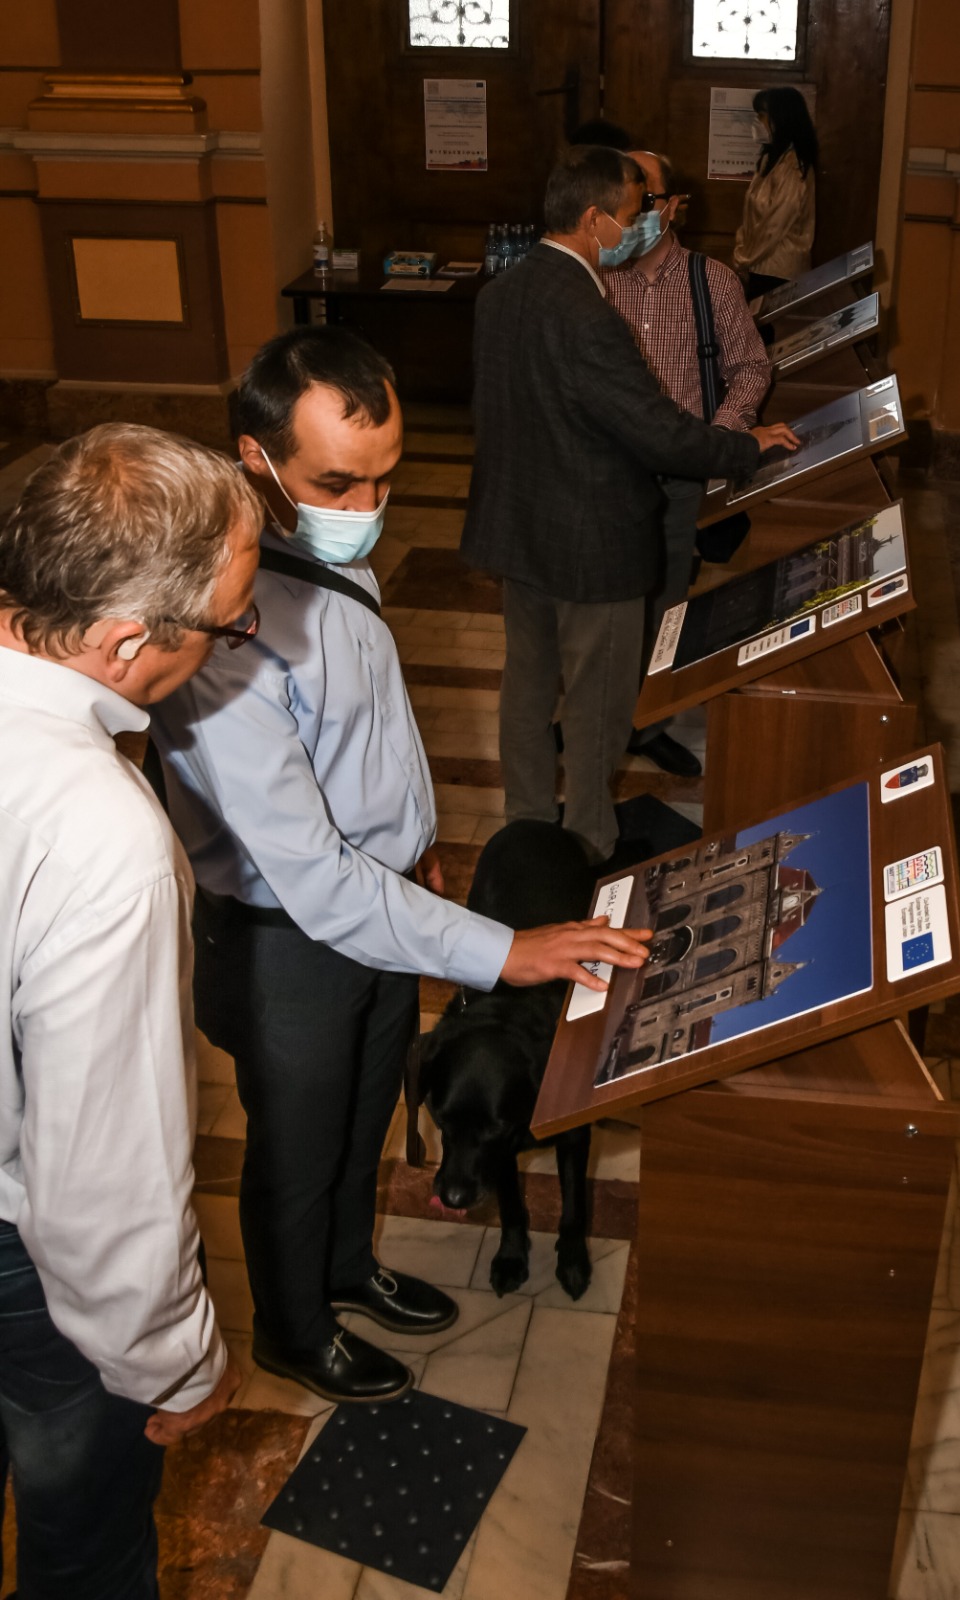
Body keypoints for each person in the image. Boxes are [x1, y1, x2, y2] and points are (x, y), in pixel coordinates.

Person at [150, 325, 652, 1407]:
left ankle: (344, 1270)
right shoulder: (218, 630)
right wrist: (503, 949)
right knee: (297, 1144)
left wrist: (414, 843)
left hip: (381, 900)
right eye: (338, 483)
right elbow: (310, 875)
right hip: (288, 938)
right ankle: (293, 1329)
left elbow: (365, 725)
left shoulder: (321, 549)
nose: (366, 506)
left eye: (384, 479)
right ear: (255, 459)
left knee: (364, 1110)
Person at [0, 423, 261, 1599]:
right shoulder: (100, 835)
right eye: (224, 626)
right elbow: (99, 1178)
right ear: (122, 641)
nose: (230, 645)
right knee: (87, 1553)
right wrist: (173, 1360)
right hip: (20, 1263)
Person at [461, 145, 798, 865]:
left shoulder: (500, 293)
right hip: (595, 541)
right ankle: (589, 843)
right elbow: (655, 432)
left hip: (520, 527)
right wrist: (745, 446)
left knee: (527, 686)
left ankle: (526, 832)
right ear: (594, 220)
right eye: (632, 209)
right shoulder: (589, 314)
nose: (643, 219)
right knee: (598, 703)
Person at [605, 147, 773, 773]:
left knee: (664, 605)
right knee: (602, 606)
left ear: (673, 205)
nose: (633, 208)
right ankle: (599, 716)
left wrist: (718, 439)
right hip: (608, 473)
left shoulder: (712, 281)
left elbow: (750, 368)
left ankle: (646, 724)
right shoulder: (594, 280)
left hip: (678, 479)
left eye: (645, 195)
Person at [732, 86, 818, 302]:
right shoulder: (770, 160)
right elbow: (751, 217)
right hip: (760, 265)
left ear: (781, 119)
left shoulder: (793, 166)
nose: (757, 122)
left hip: (778, 270)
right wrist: (743, 250)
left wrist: (744, 257)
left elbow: (775, 223)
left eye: (762, 116)